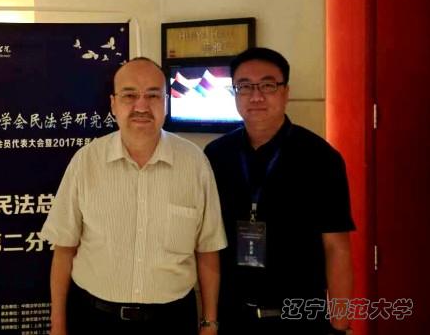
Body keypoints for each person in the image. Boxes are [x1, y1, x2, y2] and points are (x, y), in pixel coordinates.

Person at [41, 57, 227, 335]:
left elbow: (208, 251)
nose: (141, 106)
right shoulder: (86, 161)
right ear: (113, 104)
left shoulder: (195, 163)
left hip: (172, 321)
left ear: (166, 102)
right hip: (95, 318)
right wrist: (58, 325)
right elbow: (64, 249)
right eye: (129, 95)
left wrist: (209, 323)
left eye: (153, 95)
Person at [204, 47, 355, 335]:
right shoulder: (216, 155)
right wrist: (209, 320)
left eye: (268, 85)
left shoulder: (321, 158)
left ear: (286, 92)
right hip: (233, 317)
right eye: (244, 86)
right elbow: (208, 244)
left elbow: (336, 248)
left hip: (301, 318)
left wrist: (340, 326)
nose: (256, 96)